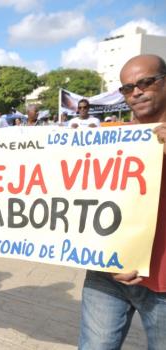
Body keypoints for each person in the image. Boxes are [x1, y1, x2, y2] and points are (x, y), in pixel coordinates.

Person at [78, 54, 166, 349]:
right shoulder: (109, 137)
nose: (137, 92)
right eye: (128, 88)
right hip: (107, 272)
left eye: (146, 82)